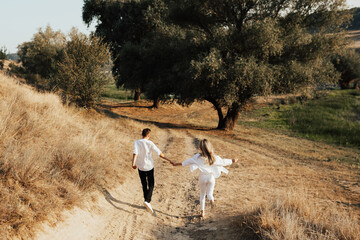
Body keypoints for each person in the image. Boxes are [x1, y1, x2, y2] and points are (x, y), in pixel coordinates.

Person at [173, 139, 238, 218]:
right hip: (211, 178)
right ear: (210, 147)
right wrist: (232, 160)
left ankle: (202, 212)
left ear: (200, 148)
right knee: (210, 194)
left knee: (202, 195)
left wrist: (176, 164)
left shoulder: (197, 157)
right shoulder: (213, 158)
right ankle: (211, 200)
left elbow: (186, 162)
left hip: (202, 178)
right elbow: (223, 162)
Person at [132, 128, 173, 214]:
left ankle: (146, 201)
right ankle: (147, 201)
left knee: (144, 184)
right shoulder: (150, 143)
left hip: (140, 167)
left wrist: (133, 163)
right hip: (149, 167)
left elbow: (135, 153)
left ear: (141, 134)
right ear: (149, 135)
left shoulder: (136, 142)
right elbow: (160, 154)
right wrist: (169, 160)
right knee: (151, 184)